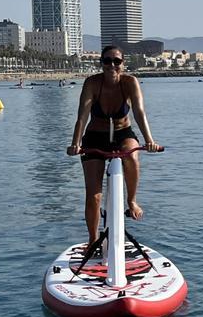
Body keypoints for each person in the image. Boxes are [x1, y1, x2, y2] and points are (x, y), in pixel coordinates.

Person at [66, 45, 160, 244]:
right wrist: (75, 144)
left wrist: (149, 141)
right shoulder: (92, 83)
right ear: (101, 63)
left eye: (117, 61)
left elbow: (139, 113)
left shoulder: (130, 82)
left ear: (123, 64)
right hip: (95, 137)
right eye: (107, 61)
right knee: (94, 195)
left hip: (122, 133)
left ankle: (131, 201)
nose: (112, 65)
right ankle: (93, 240)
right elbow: (82, 117)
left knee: (132, 155)